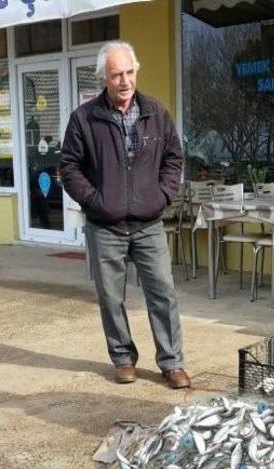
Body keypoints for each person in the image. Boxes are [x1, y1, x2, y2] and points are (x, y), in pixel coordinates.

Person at [60, 41, 191, 389]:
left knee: (163, 293)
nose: (124, 80)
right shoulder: (84, 119)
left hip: (148, 224)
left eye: (129, 72)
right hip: (105, 226)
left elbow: (173, 159)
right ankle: (123, 358)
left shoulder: (156, 113)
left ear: (136, 72)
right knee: (110, 296)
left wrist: (162, 195)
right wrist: (95, 201)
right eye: (116, 74)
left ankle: (172, 362)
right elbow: (69, 167)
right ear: (104, 77)